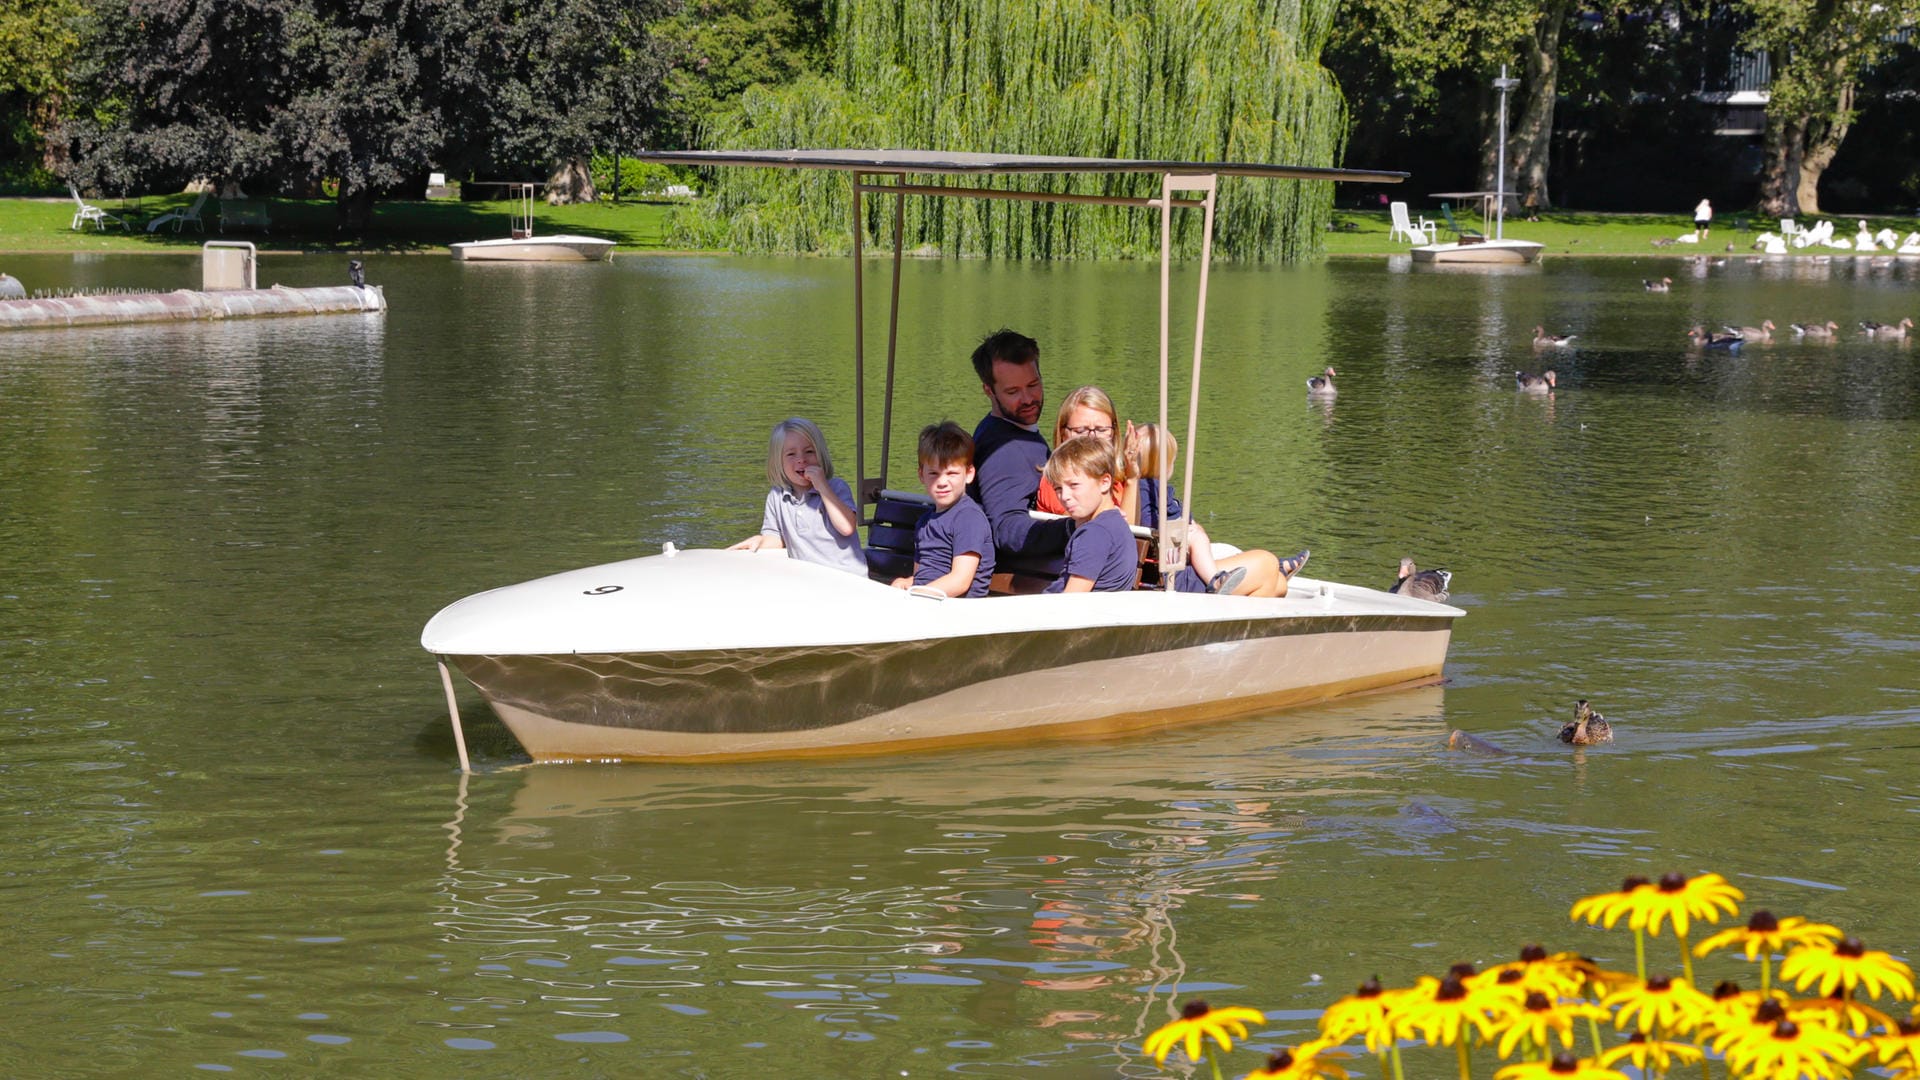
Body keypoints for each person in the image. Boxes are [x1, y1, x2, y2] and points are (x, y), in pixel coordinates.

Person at [1125, 422, 1307, 597]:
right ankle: (1216, 581)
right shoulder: (1151, 490)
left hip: (1177, 564)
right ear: (1165, 465)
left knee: (1279, 584)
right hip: (1171, 576)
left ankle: (1237, 591)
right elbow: (1152, 524)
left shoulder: (1140, 490)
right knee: (1267, 563)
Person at [969, 329, 1072, 573]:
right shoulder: (1004, 450)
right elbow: (1007, 529)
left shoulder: (1006, 430)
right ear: (989, 390)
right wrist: (1076, 527)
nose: (1027, 399)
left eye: (1033, 385)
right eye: (1013, 392)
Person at [728, 417, 867, 576]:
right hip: (807, 579)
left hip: (847, 579)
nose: (801, 459)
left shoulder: (836, 487)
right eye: (791, 454)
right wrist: (760, 541)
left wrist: (822, 487)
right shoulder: (777, 496)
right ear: (778, 462)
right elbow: (777, 539)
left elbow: (847, 527)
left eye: (809, 452)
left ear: (820, 455)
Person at [892, 421, 994, 597]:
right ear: (921, 475)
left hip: (957, 610)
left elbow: (960, 581)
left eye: (952, 473)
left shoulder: (968, 518)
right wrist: (907, 583)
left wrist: (917, 595)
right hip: (927, 601)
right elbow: (922, 575)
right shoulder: (925, 522)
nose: (942, 482)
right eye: (934, 473)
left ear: (968, 474)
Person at [1040, 436, 1138, 594]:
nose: (1064, 496)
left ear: (1104, 482)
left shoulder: (1095, 533)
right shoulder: (1114, 523)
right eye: (1058, 488)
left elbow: (1072, 600)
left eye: (1074, 485)